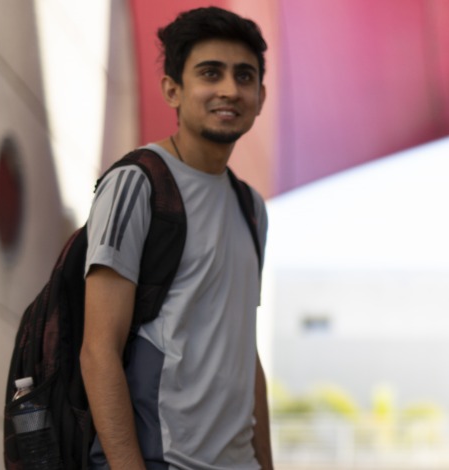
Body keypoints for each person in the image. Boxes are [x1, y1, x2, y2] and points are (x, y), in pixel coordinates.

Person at [78, 7, 272, 469]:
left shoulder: (252, 208)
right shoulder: (137, 182)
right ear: (173, 89)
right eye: (210, 73)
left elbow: (245, 350)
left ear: (261, 96)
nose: (229, 89)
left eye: (244, 76)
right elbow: (98, 349)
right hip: (162, 460)